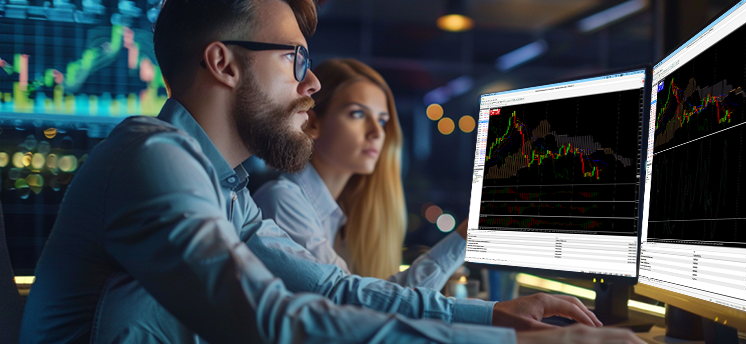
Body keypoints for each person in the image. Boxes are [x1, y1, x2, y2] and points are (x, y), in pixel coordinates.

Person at [18, 0, 644, 343]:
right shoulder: (152, 156)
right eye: (295, 59)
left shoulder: (225, 189)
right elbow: (270, 320)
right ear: (223, 63)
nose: (311, 81)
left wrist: (499, 318)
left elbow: (329, 290)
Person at [253, 58, 466, 290]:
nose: (377, 132)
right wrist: (465, 236)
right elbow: (363, 303)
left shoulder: (340, 213)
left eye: (382, 121)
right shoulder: (282, 201)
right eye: (357, 114)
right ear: (312, 123)